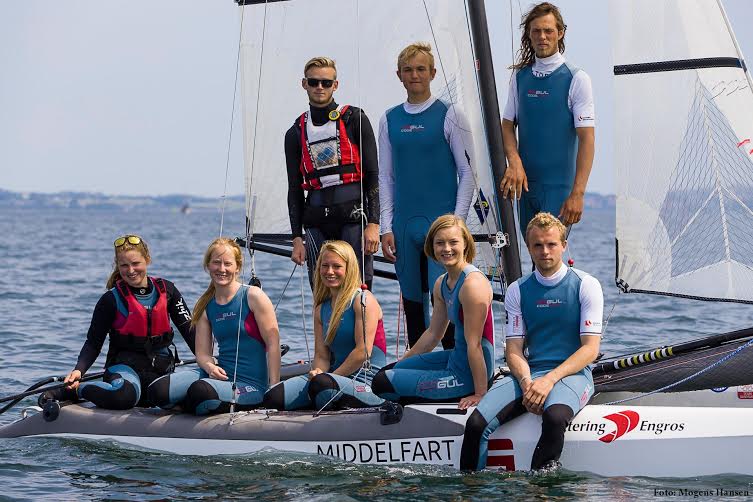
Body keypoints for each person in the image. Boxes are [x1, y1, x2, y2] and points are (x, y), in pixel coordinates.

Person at [460, 213, 602, 471]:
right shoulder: (518, 289)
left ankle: (539, 491)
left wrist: (548, 381)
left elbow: (590, 349)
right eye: (537, 245)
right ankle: (470, 491)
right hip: (531, 372)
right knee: (476, 424)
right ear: (528, 248)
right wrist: (527, 383)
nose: (544, 251)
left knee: (555, 417)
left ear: (563, 245)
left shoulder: (586, 285)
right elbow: (514, 349)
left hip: (574, 375)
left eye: (551, 244)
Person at [379, 42, 476, 349]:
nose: (415, 75)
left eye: (421, 69)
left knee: (445, 300)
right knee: (412, 302)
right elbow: (386, 177)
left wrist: (456, 224)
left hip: (442, 228)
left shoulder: (450, 114)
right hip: (404, 227)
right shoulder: (389, 119)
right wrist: (385, 227)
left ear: (432, 73)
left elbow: (469, 172)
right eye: (408, 70)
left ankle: (453, 364)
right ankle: (417, 368)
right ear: (399, 75)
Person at [39, 235, 196, 410]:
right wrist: (79, 370)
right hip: (125, 369)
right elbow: (93, 343)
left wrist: (210, 365)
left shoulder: (168, 291)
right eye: (124, 265)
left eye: (135, 263)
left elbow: (189, 330)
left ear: (147, 260)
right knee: (124, 396)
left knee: (189, 396)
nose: (130, 270)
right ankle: (73, 392)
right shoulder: (110, 300)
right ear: (117, 266)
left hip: (160, 370)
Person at [372, 215, 494, 408]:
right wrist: (402, 362)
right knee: (388, 372)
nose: (446, 249)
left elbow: (475, 345)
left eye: (453, 242)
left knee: (382, 383)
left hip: (470, 374)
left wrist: (480, 394)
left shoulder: (472, 285)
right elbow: (433, 334)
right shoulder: (441, 283)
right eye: (440, 243)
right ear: (432, 246)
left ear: (465, 245)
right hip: (455, 359)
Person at [148, 238, 280, 415]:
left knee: (201, 391)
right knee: (158, 390)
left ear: (237, 267)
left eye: (227, 263)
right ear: (208, 266)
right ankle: (193, 407)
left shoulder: (253, 296)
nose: (222, 269)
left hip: (251, 385)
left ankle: (194, 405)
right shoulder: (206, 305)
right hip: (218, 375)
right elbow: (202, 354)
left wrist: (274, 390)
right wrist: (210, 368)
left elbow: (273, 344)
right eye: (216, 263)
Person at [499, 2, 595, 237]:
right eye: (536, 31)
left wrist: (578, 194)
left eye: (548, 31)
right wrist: (515, 161)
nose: (542, 37)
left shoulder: (576, 78)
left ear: (560, 33)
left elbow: (587, 139)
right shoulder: (520, 77)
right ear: (529, 35)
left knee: (549, 253)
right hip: (525, 188)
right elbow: (507, 125)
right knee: (534, 255)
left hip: (559, 191)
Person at [285, 56, 380, 290]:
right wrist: (297, 237)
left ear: (335, 85)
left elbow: (373, 175)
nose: (320, 87)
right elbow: (294, 189)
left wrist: (375, 224)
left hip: (353, 220)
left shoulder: (355, 119)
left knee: (358, 292)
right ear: (304, 84)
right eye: (314, 82)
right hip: (316, 223)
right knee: (321, 293)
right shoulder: (295, 133)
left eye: (326, 83)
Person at [263, 240, 386, 411]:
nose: (329, 271)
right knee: (273, 397)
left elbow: (362, 352)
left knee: (322, 385)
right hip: (332, 378)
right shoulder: (321, 309)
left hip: (366, 381)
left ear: (349, 268)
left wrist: (328, 378)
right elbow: (322, 356)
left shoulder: (363, 301)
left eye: (336, 266)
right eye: (324, 266)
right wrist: (318, 372)